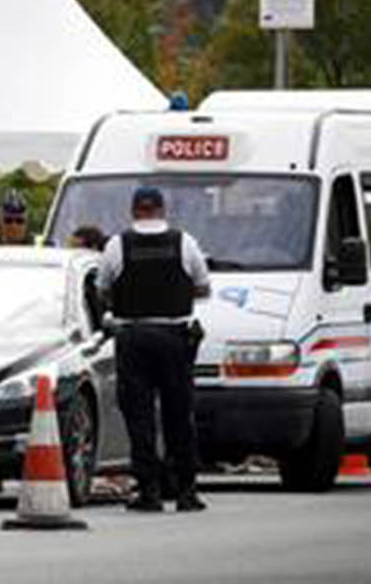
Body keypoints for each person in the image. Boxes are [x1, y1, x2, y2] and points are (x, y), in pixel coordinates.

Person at [96, 185, 211, 513]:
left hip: (133, 337)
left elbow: (103, 289)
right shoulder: (184, 242)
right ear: (163, 210)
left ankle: (149, 491)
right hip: (175, 336)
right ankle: (186, 491)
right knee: (179, 414)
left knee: (139, 417)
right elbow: (203, 287)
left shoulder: (117, 245)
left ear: (134, 211)